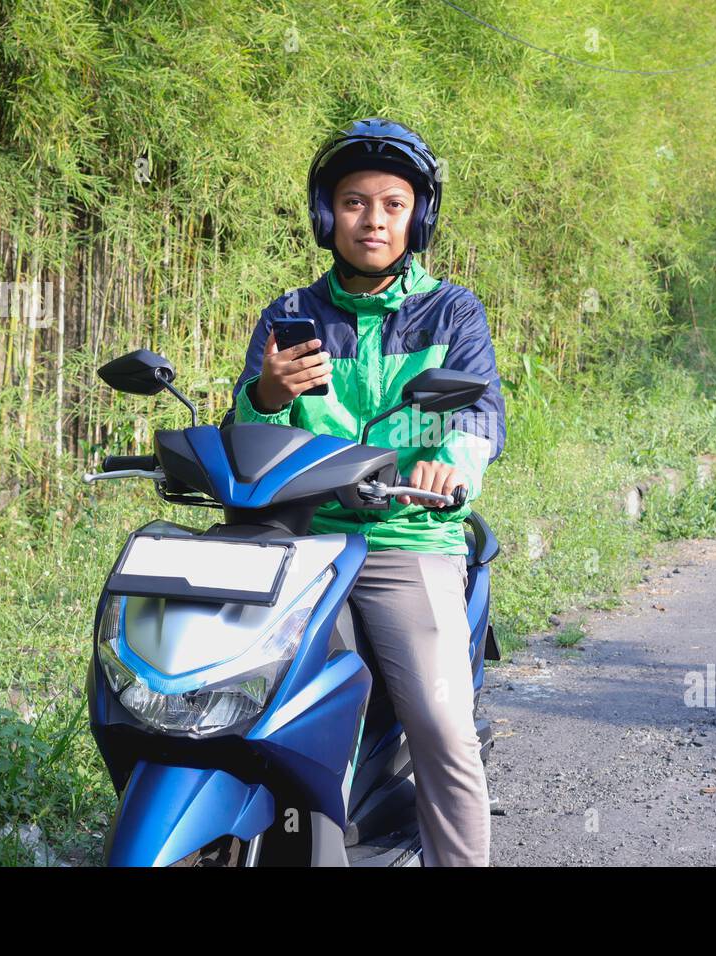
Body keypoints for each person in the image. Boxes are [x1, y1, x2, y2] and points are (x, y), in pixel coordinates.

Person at [224, 118, 505, 866]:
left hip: (404, 540)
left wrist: (450, 468)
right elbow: (246, 436)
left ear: (419, 217)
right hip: (296, 543)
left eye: (391, 204)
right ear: (326, 214)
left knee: (443, 726)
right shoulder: (292, 316)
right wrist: (267, 393)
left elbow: (478, 417)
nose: (372, 220)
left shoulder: (452, 313)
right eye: (353, 202)